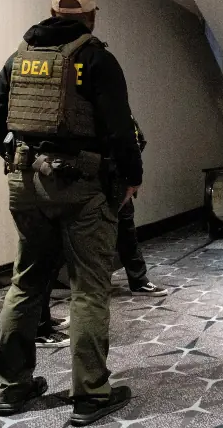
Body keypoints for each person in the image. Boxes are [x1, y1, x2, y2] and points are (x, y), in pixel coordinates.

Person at [0, 0, 140, 426]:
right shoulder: (96, 58)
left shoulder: (19, 57)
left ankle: (13, 389)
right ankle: (90, 394)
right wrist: (131, 180)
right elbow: (119, 131)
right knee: (89, 288)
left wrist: (22, 160)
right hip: (82, 187)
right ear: (91, 17)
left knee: (26, 282)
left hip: (26, 185)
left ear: (50, 11)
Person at [35, 117, 166, 349]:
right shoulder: (88, 106)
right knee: (79, 275)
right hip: (91, 188)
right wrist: (133, 177)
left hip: (93, 183)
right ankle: (41, 326)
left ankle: (42, 325)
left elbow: (134, 138)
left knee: (119, 240)